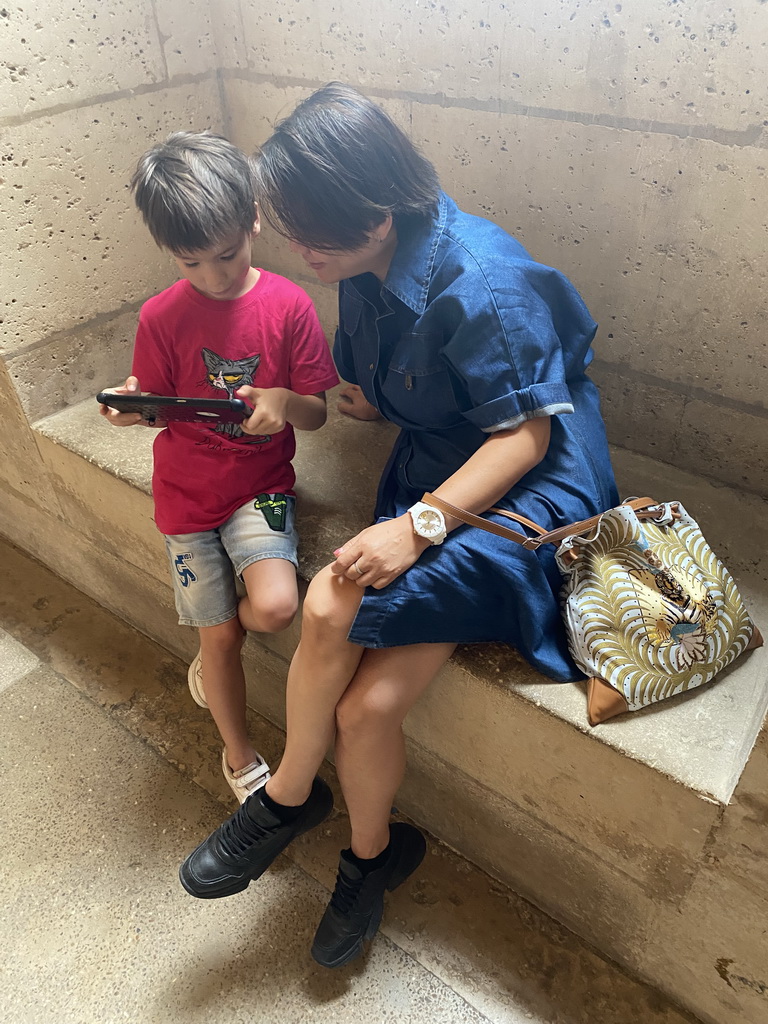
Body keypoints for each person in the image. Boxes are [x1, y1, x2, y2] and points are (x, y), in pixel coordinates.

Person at [178, 85, 619, 969]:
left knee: (333, 595)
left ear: (378, 215)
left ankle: (289, 797)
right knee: (370, 705)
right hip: (443, 469)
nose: (298, 255)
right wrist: (373, 402)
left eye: (312, 237)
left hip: (521, 495)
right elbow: (413, 387)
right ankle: (373, 862)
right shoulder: (370, 267)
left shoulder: (482, 277)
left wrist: (415, 527)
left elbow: (527, 435)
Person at [99, 131, 338, 804]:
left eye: (228, 253)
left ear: (253, 220)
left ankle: (212, 646)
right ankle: (238, 756)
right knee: (222, 639)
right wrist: (129, 410)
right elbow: (157, 403)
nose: (214, 275)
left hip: (259, 487)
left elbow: (318, 414)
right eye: (191, 262)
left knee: (271, 607)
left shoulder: (289, 306)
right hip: (184, 497)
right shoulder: (161, 316)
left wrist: (287, 402)